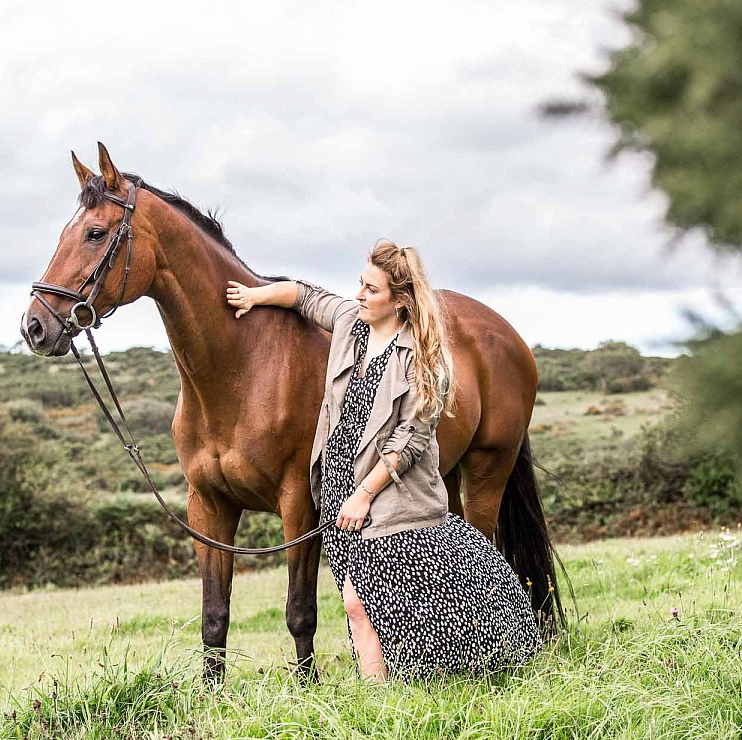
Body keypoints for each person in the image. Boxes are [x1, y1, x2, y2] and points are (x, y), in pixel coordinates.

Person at [225, 240, 542, 681]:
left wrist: (363, 496)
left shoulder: (426, 359)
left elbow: (409, 441)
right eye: (360, 283)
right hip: (336, 485)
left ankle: (470, 665)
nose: (359, 295)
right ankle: (380, 703)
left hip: (389, 494)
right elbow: (305, 296)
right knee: (357, 605)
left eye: (371, 290)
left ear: (401, 301)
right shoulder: (348, 323)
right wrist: (257, 294)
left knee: (377, 604)